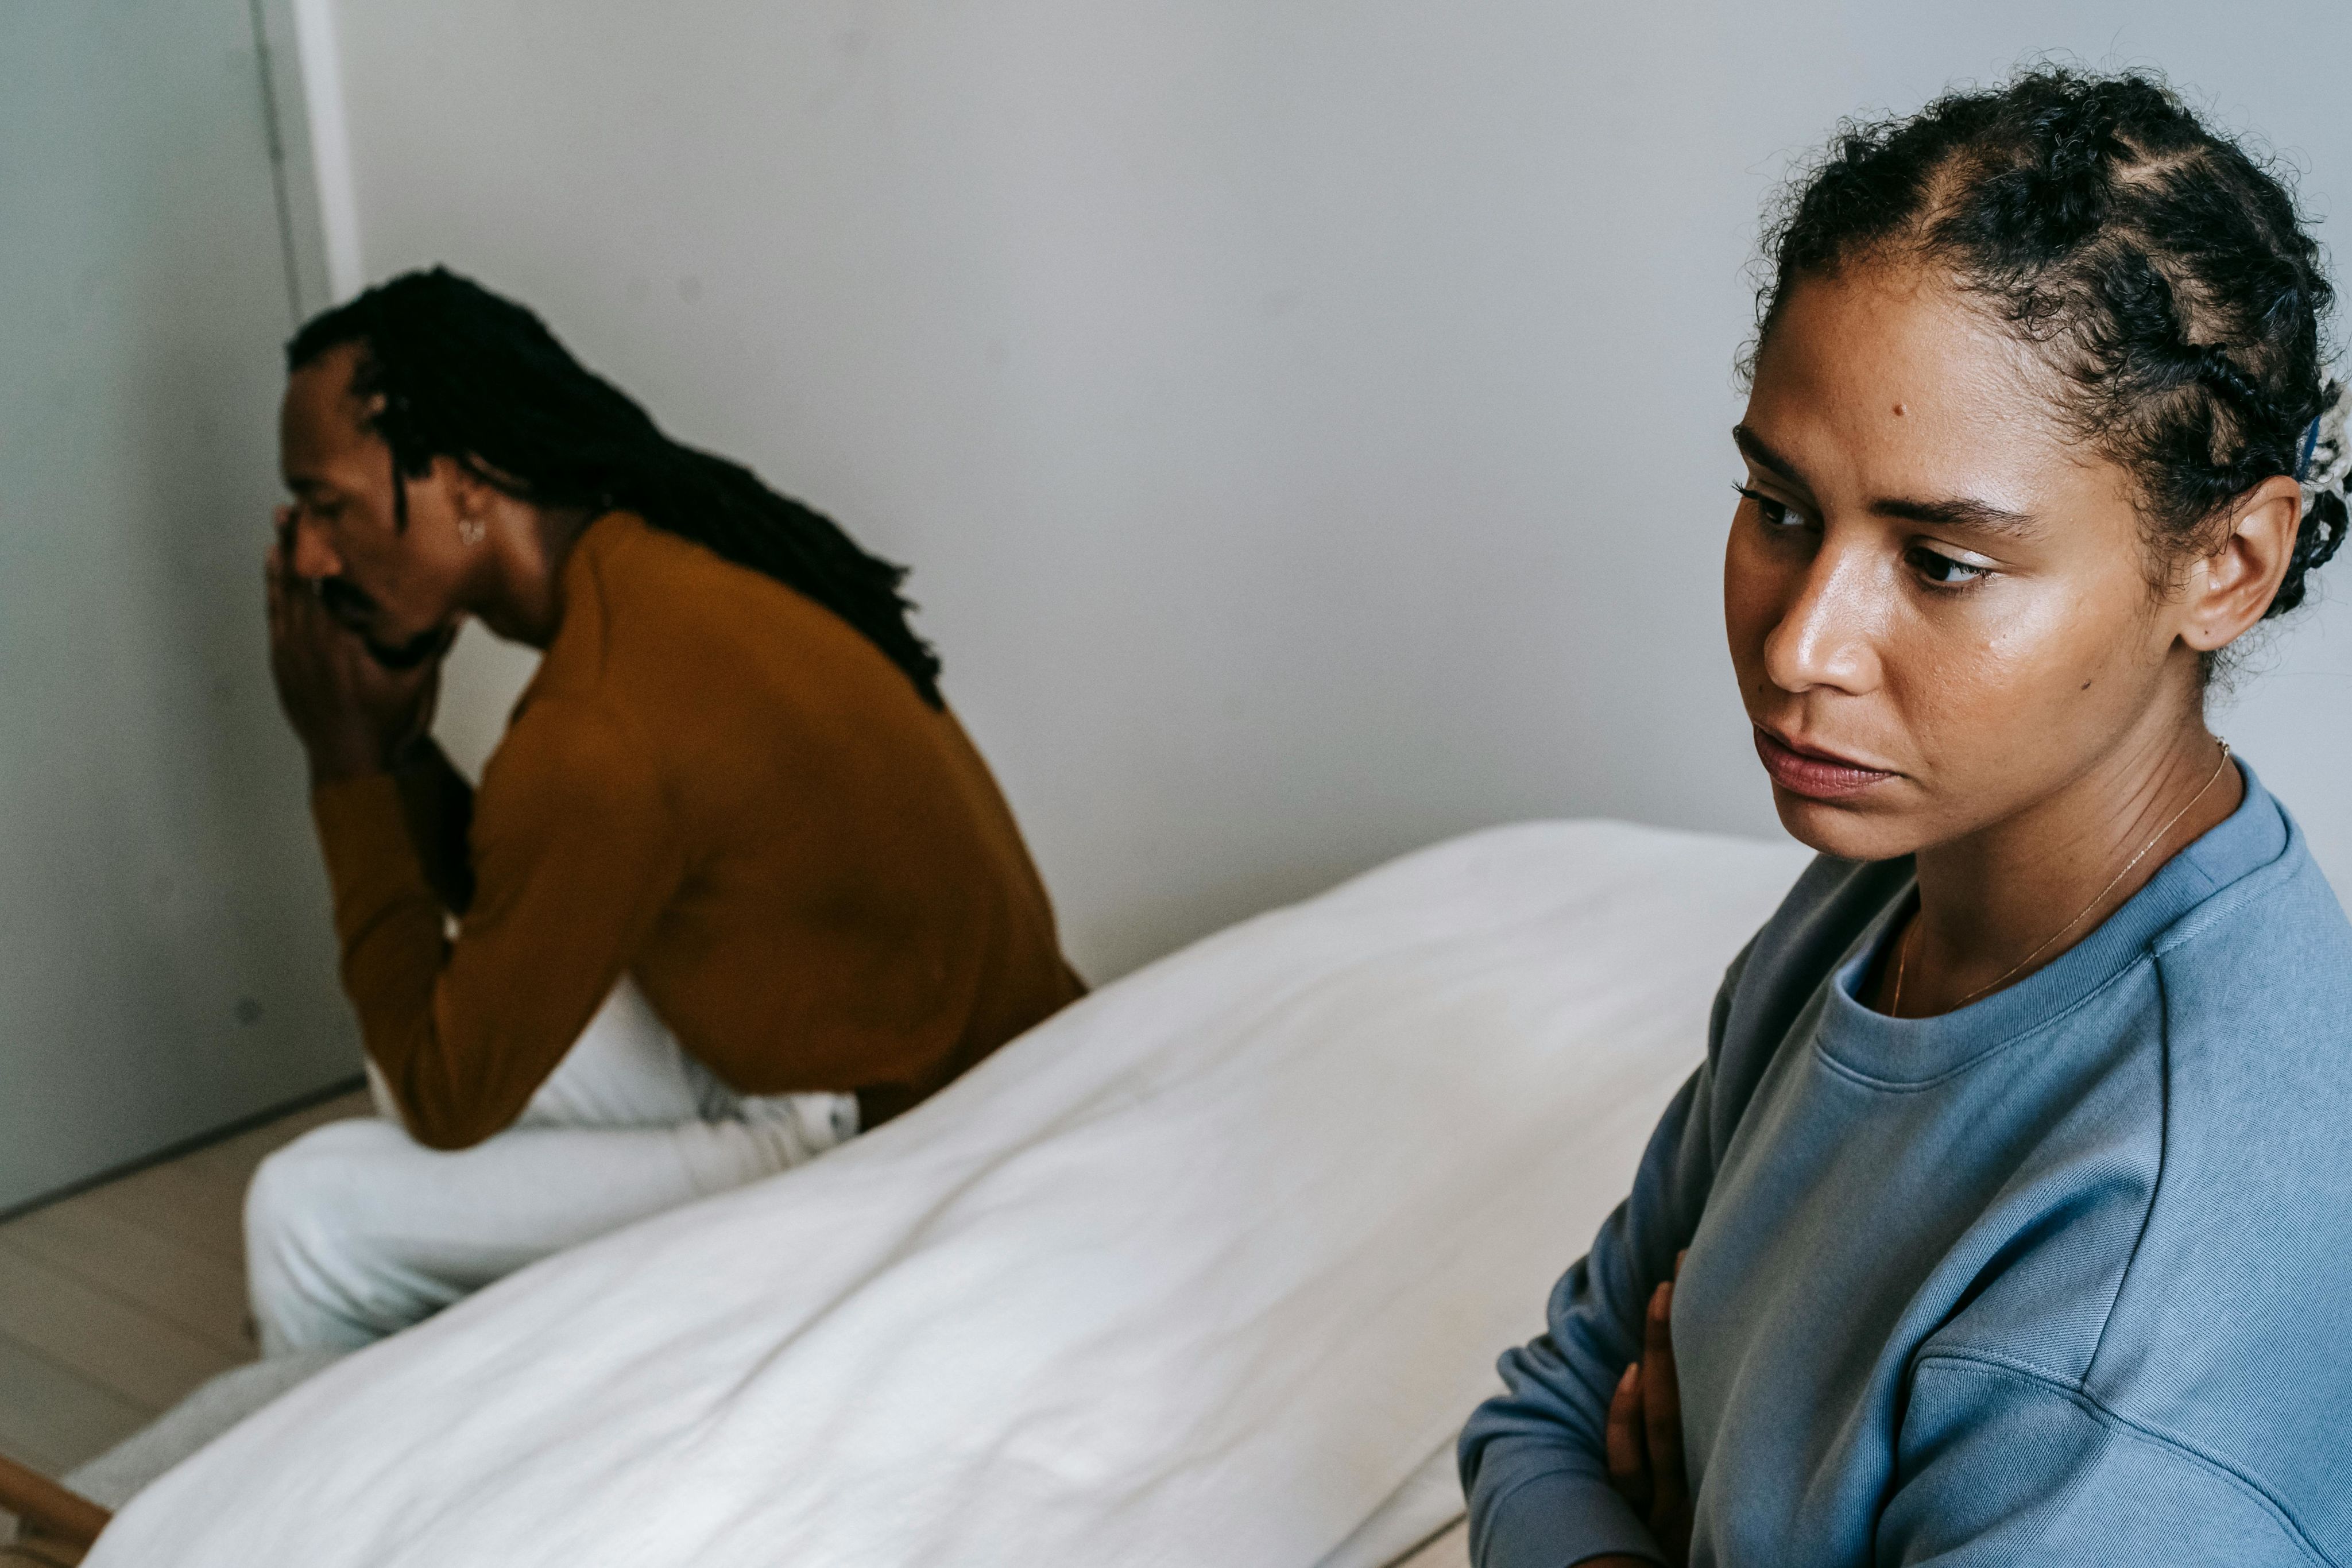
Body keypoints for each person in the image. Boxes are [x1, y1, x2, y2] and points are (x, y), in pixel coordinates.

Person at [1459, 69, 2352, 1566]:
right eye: (1781, 507)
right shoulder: (1887, 893)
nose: (1802, 645)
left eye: (1941, 561)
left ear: (2228, 563)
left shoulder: (2123, 1324)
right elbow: (1543, 1415)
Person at [248, 269, 1085, 1354]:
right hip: (937, 1039)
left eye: (329, 508)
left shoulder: (596, 725)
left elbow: (447, 1097)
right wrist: (398, 748)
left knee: (305, 1210)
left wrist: (344, 767)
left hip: (894, 1128)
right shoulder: (673, 557)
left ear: (458, 485)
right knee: (413, 1017)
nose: (309, 557)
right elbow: (550, 880)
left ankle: (380, 1472)